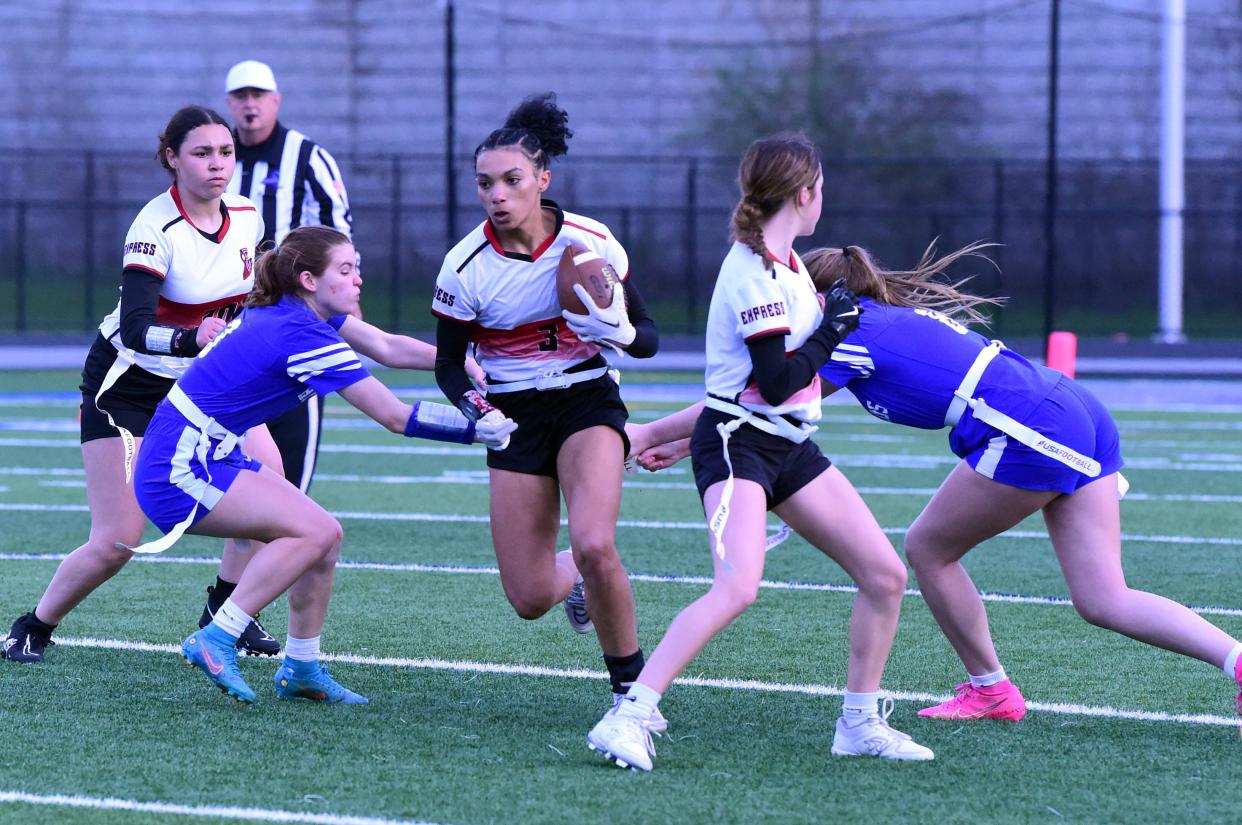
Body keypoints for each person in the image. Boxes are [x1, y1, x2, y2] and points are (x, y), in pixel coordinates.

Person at [632, 239, 1242, 727]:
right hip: (1068, 403)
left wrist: (648, 433)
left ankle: (991, 689)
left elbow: (768, 397)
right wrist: (683, 442)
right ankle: (1236, 660)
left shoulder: (843, 331)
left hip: (1026, 424)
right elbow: (771, 420)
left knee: (927, 549)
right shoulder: (874, 318)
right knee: (1105, 597)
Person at [585, 133, 934, 772]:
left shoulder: (789, 264)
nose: (822, 197)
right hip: (740, 444)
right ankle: (629, 714)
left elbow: (765, 390)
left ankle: (859, 722)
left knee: (885, 576)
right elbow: (774, 382)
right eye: (820, 187)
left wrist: (663, 434)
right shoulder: (753, 271)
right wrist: (834, 328)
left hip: (788, 445)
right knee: (738, 586)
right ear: (805, 194)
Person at [134, 225, 514, 704]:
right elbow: (395, 416)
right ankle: (218, 635)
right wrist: (479, 428)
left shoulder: (298, 312)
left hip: (204, 451)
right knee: (314, 532)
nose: (359, 280)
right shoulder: (301, 332)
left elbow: (390, 348)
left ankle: (302, 667)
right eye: (346, 270)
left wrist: (462, 363)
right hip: (179, 466)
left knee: (325, 537)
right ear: (310, 280)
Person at [3, 106, 276, 662]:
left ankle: (225, 612)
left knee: (272, 483)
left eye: (225, 152)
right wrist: (189, 340)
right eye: (201, 153)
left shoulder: (248, 214)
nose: (217, 164)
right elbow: (133, 328)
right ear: (172, 159)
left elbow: (257, 285)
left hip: (205, 383)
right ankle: (33, 625)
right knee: (119, 538)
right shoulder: (155, 227)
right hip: (128, 386)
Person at [432, 93, 662, 722]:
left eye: (511, 180)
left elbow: (647, 340)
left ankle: (632, 695)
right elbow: (449, 364)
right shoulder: (465, 265)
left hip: (587, 397)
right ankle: (581, 582)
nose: (496, 195)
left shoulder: (591, 241)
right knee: (530, 596)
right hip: (514, 414)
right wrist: (476, 407)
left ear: (542, 179)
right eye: (484, 184)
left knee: (594, 542)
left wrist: (614, 328)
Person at [196, 59, 356, 651]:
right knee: (259, 482)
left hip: (295, 323)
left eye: (258, 95)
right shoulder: (218, 162)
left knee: (284, 487)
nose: (249, 105)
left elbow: (340, 235)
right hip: (236, 332)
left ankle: (231, 615)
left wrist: (343, 313)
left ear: (277, 99)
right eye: (239, 95)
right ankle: (234, 619)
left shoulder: (308, 158)